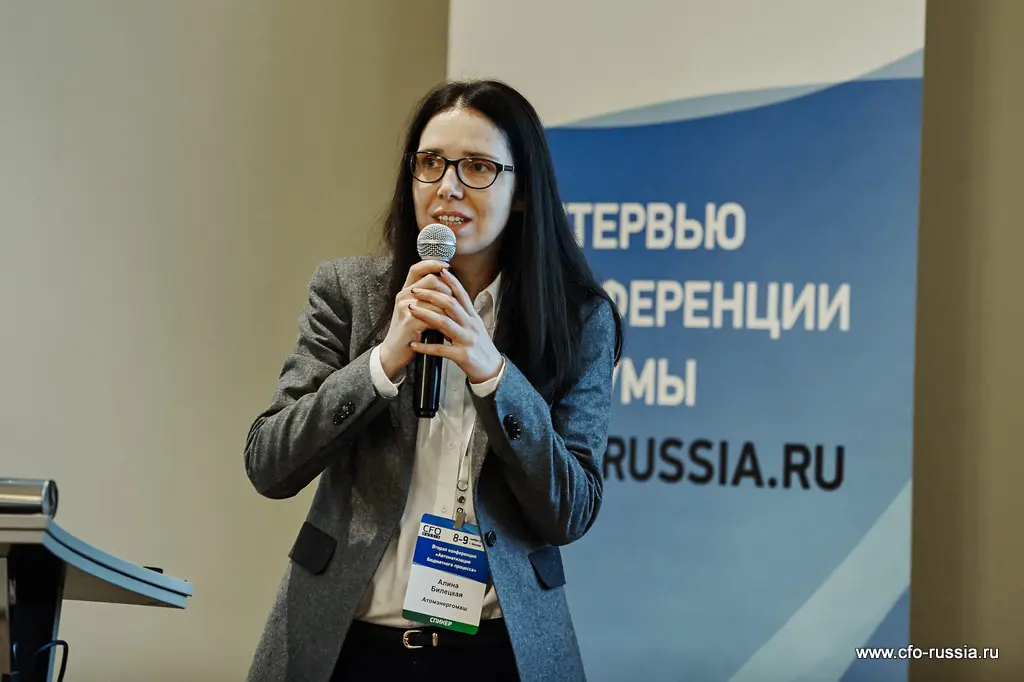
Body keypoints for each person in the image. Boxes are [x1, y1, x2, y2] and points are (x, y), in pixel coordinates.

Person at [243, 78, 623, 682]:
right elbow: (269, 463)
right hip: (348, 645)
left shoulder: (577, 321)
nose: (448, 186)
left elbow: (571, 510)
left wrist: (493, 374)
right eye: (431, 163)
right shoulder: (349, 294)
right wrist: (380, 364)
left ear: (522, 194)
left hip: (498, 651)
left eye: (477, 166)